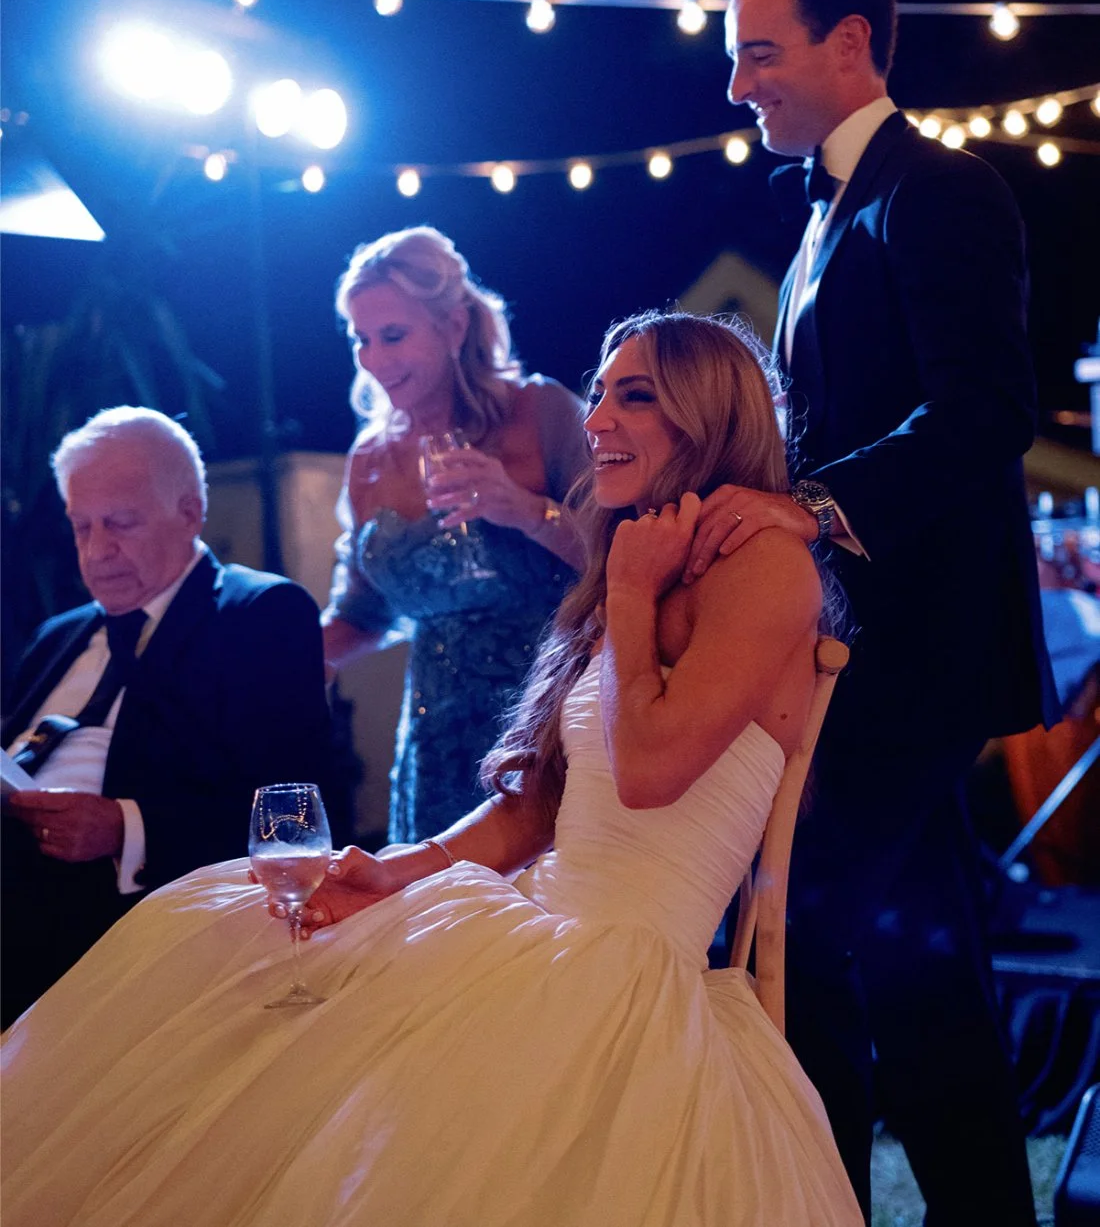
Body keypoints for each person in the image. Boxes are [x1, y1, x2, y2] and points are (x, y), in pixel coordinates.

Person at [2, 312, 862, 1227]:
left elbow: (651, 771)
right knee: (229, 928)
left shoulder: (763, 565)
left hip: (627, 971)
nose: (598, 415)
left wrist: (629, 589)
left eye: (634, 395)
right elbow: (530, 812)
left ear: (712, 416)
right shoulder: (640, 565)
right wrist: (391, 867)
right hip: (535, 915)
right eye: (601, 389)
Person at [686, 0, 1061, 1224]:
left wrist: (808, 507)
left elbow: (987, 409)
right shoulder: (815, 220)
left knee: (802, 933)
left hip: (920, 654)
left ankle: (816, 1198)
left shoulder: (938, 190)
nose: (738, 84)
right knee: (925, 969)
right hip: (856, 650)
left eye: (758, 50)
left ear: (849, 43)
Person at [1, 406, 355, 1028]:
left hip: (126, 914)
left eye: (122, 524)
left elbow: (291, 810)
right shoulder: (58, 636)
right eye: (81, 527)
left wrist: (124, 828)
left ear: (190, 512)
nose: (97, 552)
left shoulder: (259, 614)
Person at [321, 225, 587, 842]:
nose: (375, 360)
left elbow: (623, 548)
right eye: (362, 340)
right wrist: (289, 656)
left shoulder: (540, 411)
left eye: (393, 336)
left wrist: (525, 510)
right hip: (432, 740)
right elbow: (364, 611)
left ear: (454, 326)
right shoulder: (369, 460)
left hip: (547, 721)